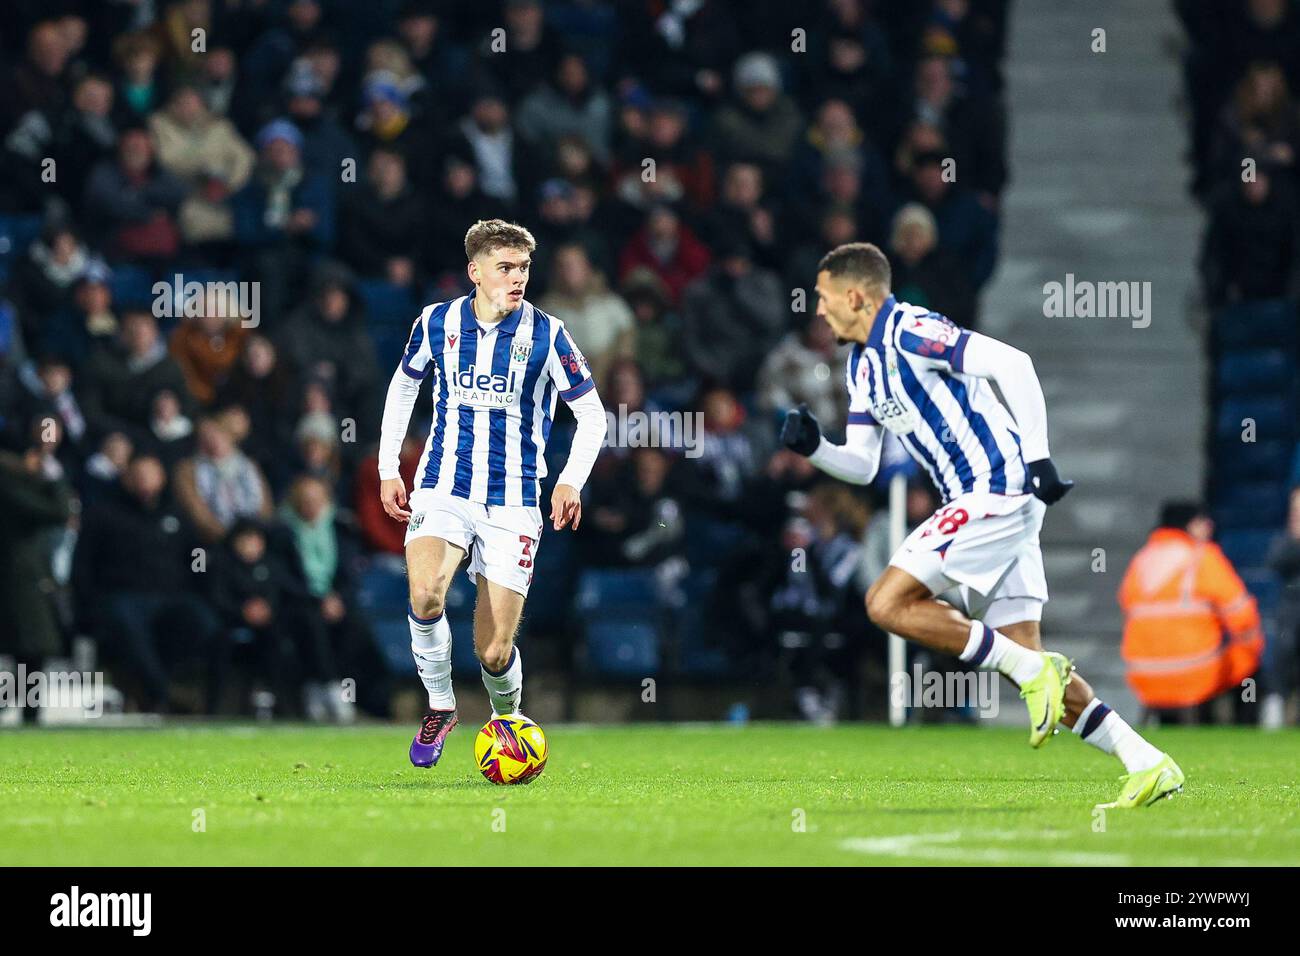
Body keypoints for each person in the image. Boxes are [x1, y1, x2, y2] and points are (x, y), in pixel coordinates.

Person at [779, 242, 1183, 810]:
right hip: (985, 502)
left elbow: (1012, 363)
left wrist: (1040, 458)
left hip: (996, 487)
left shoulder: (910, 329)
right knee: (1026, 657)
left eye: (823, 299)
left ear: (854, 295)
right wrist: (815, 447)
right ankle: (1147, 761)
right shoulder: (863, 366)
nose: (818, 311)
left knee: (886, 602)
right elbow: (864, 463)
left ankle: (1034, 670)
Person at [377, 219, 606, 768]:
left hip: (514, 501)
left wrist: (570, 479)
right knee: (426, 593)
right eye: (505, 267)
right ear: (475, 272)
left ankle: (508, 718)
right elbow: (405, 384)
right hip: (442, 486)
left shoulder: (548, 335)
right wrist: (390, 467)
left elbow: (593, 415)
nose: (518, 277)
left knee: (494, 651)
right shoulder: (437, 321)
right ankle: (439, 705)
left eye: (524, 267)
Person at [1119, 502, 1263, 721]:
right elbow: (1243, 617)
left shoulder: (1141, 559)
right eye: (1203, 522)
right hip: (1194, 673)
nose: (1209, 527)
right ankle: (1238, 731)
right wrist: (1251, 648)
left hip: (1143, 676)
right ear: (1189, 525)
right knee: (1248, 663)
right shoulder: (1203, 557)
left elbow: (1127, 603)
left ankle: (1169, 724)